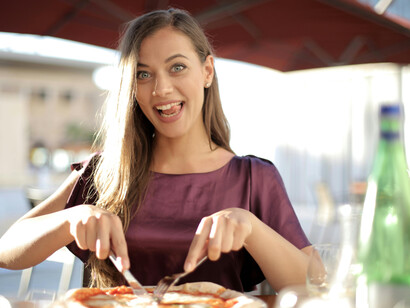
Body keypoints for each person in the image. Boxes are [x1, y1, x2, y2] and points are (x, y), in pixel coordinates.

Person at [0, 8, 312, 293]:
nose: (161, 89)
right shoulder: (104, 173)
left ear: (207, 71)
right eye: (143, 74)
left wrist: (252, 228)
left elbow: (314, 283)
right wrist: (71, 219)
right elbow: (7, 251)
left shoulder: (254, 178)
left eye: (177, 67)